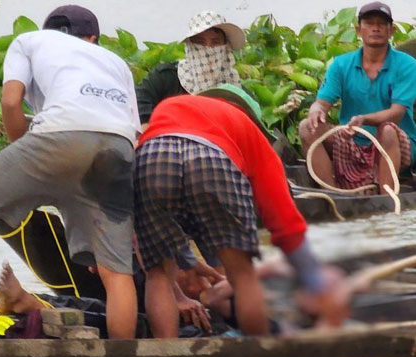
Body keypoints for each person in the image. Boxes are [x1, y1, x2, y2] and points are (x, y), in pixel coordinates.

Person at [0, 5, 141, 340]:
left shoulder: (29, 41)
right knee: (115, 270)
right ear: (92, 39)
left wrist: (24, 154)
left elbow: (10, 102)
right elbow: (130, 128)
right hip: (119, 146)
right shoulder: (115, 62)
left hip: (61, 134)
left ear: (48, 30)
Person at [134, 84, 351, 337]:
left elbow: (155, 225)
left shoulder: (171, 105)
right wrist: (314, 280)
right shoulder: (246, 127)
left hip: (150, 154)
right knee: (242, 275)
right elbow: (282, 217)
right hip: (211, 156)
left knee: (158, 275)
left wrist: (187, 262)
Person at [299, 2, 416, 194]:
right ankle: (333, 194)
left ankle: (387, 198)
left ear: (392, 31)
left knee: (386, 131)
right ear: (358, 30)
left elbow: (396, 114)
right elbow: (321, 103)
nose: (376, 28)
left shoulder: (407, 64)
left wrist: (364, 119)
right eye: (370, 23)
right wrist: (316, 111)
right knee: (306, 127)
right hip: (351, 138)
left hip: (396, 143)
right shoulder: (341, 64)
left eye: (382, 24)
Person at [136, 10, 245, 130]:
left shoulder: (235, 89)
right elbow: (140, 100)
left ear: (225, 47)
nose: (207, 48)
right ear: (189, 46)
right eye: (200, 42)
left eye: (215, 42)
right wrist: (148, 130)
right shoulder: (167, 77)